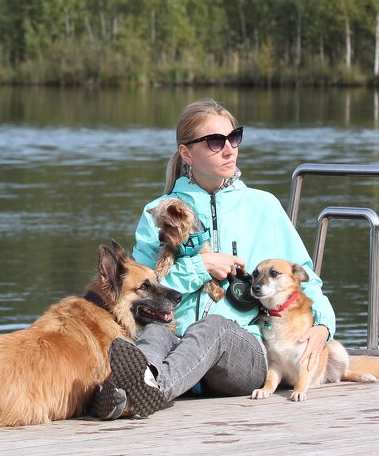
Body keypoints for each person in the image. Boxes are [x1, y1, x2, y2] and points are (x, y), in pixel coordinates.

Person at [90, 98, 335, 418]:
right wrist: (199, 267)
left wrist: (324, 327)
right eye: (216, 141)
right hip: (176, 345)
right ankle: (124, 394)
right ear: (187, 153)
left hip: (243, 354)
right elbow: (141, 292)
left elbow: (307, 279)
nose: (230, 149)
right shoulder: (160, 211)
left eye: (234, 138)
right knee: (153, 331)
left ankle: (149, 391)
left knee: (213, 327)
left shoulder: (264, 207)